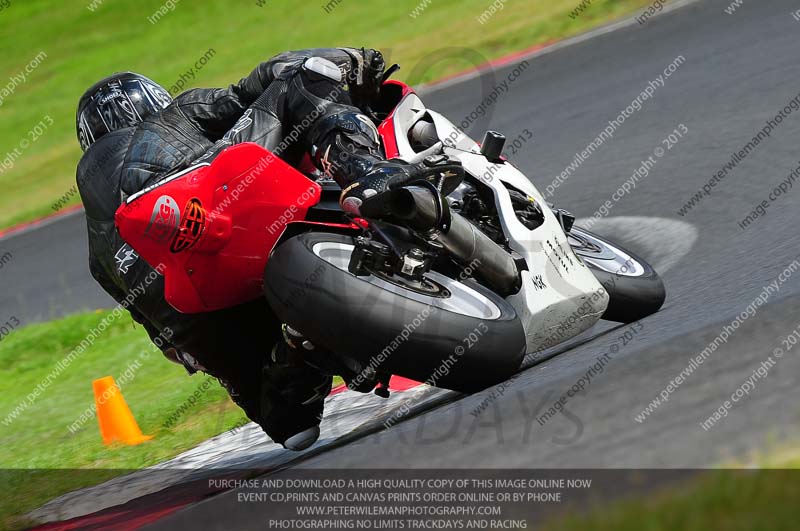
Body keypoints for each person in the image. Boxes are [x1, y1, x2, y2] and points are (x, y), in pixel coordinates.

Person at [75, 47, 425, 451]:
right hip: (218, 201)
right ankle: (363, 169)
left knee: (290, 425)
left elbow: (173, 349)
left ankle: (298, 344)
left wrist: (210, 354)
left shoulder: (96, 257)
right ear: (153, 102)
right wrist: (352, 59)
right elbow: (262, 81)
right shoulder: (173, 117)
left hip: (194, 307)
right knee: (301, 78)